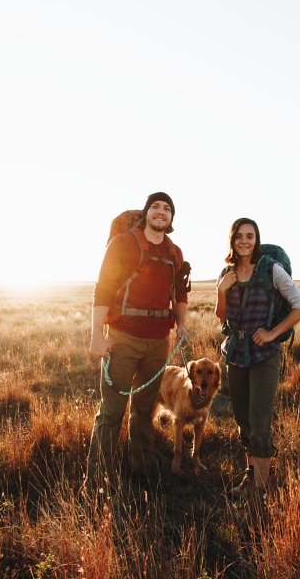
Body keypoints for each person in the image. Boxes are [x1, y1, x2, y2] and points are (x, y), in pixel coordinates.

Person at [86, 192, 189, 488]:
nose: (161, 211)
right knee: (112, 410)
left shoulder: (175, 252)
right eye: (155, 206)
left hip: (159, 342)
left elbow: (181, 295)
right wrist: (96, 336)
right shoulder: (122, 244)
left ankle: (141, 469)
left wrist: (181, 325)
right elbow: (103, 289)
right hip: (123, 338)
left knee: (145, 409)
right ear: (146, 213)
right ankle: (98, 478)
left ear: (171, 219)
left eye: (167, 208)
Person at [216, 217, 300, 497]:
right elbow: (222, 316)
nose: (244, 241)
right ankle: (252, 477)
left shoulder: (271, 269)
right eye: (239, 236)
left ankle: (261, 486)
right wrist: (221, 291)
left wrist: (272, 333)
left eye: (250, 236)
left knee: (259, 419)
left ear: (256, 240)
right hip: (236, 353)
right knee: (243, 418)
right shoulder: (226, 272)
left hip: (264, 354)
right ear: (231, 240)